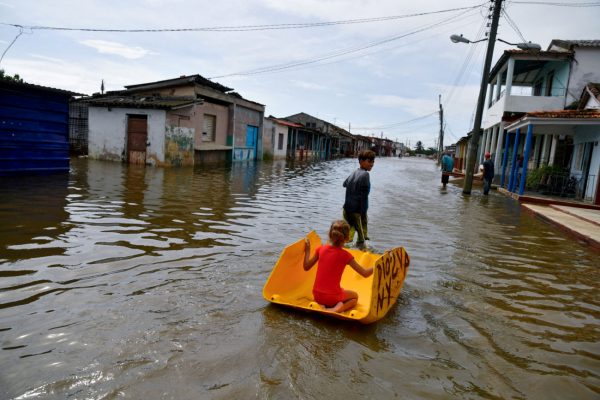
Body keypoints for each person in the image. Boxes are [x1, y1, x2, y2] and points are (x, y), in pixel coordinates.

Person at [304, 220, 373, 313]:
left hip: (317, 295)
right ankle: (337, 309)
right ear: (347, 237)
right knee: (355, 297)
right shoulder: (345, 255)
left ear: (330, 234)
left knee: (339, 291)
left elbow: (306, 266)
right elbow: (365, 273)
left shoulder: (321, 249)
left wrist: (307, 251)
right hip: (332, 298)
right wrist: (378, 265)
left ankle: (323, 306)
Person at [343, 149, 375, 249]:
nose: (372, 164)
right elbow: (364, 196)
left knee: (348, 234)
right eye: (369, 161)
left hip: (347, 208)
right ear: (361, 161)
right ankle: (361, 253)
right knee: (361, 237)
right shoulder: (365, 174)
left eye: (373, 161)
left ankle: (344, 249)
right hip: (357, 211)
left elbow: (344, 184)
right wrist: (362, 213)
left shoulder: (354, 172)